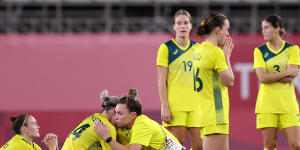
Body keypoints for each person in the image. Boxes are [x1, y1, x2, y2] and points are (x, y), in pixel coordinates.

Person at [156, 9, 202, 150]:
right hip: (175, 105)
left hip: (196, 105)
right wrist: (165, 106)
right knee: (178, 145)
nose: (183, 26)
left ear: (191, 25)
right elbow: (161, 80)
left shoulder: (198, 48)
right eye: (179, 23)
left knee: (200, 146)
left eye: (186, 23)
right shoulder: (166, 48)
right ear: (174, 26)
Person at [253, 14, 300, 150]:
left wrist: (270, 76)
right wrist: (286, 72)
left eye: (266, 28)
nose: (263, 31)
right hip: (267, 104)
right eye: (262, 28)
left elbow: (291, 78)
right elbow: (262, 78)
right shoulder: (259, 51)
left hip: (288, 104)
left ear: (277, 28)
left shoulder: (292, 49)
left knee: (296, 145)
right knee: (270, 145)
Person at [193, 13, 234, 150]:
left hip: (204, 114)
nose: (227, 34)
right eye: (226, 29)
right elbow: (229, 81)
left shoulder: (197, 49)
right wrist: (227, 56)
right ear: (217, 30)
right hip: (216, 115)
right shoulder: (216, 53)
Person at [94, 89, 185, 150]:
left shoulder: (142, 124)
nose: (116, 117)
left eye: (120, 113)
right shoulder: (123, 127)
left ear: (133, 115)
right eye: (115, 113)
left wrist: (107, 138)